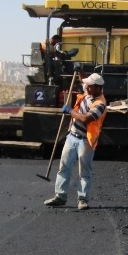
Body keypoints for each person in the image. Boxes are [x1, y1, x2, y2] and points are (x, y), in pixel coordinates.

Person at [43, 73, 108, 211]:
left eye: (89, 86)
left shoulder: (100, 104)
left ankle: (82, 199)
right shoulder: (89, 92)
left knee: (84, 172)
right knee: (64, 166)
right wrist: (79, 71)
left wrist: (70, 111)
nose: (86, 87)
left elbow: (85, 119)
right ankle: (60, 196)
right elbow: (82, 80)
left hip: (85, 141)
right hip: (72, 137)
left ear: (97, 88)